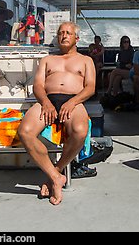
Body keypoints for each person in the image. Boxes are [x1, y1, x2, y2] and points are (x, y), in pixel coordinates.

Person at [17, 21, 96, 205]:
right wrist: (45, 102)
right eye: (61, 33)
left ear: (76, 38)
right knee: (25, 132)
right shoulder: (47, 59)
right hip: (48, 100)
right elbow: (37, 85)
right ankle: (55, 176)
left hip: (73, 101)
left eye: (68, 33)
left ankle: (57, 170)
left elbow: (90, 87)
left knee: (80, 131)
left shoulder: (86, 60)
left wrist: (73, 101)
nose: (64, 36)